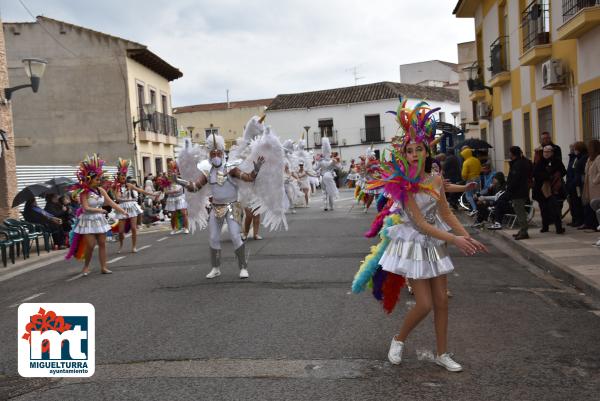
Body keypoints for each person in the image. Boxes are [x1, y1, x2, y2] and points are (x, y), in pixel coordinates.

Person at [352, 99, 487, 372]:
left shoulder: (435, 180)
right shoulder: (404, 186)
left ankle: (442, 353)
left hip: (436, 243)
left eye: (418, 149)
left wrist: (466, 236)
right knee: (424, 304)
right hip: (413, 244)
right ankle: (398, 339)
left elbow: (446, 214)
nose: (414, 153)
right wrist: (456, 240)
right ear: (404, 155)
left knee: (441, 303)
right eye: (409, 150)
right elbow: (421, 225)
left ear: (427, 152)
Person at [179, 130, 284, 280]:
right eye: (212, 154)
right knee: (213, 238)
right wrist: (179, 181)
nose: (215, 156)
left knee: (235, 236)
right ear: (209, 155)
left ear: (223, 153)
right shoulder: (207, 172)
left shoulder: (231, 169)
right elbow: (195, 187)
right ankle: (215, 268)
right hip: (216, 208)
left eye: (218, 153)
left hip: (233, 207)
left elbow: (248, 178)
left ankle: (243, 267)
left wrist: (256, 169)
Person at [66, 154, 127, 275]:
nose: (99, 181)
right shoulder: (84, 193)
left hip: (99, 220)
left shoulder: (101, 190)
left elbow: (111, 202)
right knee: (90, 245)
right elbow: (85, 207)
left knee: (102, 244)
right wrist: (100, 210)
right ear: (89, 179)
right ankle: (86, 266)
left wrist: (122, 210)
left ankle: (104, 267)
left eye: (100, 179)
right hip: (87, 220)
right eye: (97, 179)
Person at [113, 159, 159, 252]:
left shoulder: (129, 185)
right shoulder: (116, 187)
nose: (123, 177)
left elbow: (140, 190)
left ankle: (134, 247)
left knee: (134, 228)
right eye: (122, 175)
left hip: (132, 207)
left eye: (124, 175)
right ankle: (121, 246)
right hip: (122, 207)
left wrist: (153, 194)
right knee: (121, 231)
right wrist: (128, 199)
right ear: (118, 177)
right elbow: (117, 198)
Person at [533, 146, 567, 234]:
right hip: (541, 189)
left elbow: (563, 171)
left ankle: (558, 228)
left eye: (548, 151)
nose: (546, 153)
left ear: (552, 152)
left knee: (555, 209)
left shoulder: (557, 161)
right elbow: (536, 174)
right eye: (544, 151)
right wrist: (548, 176)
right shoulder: (540, 162)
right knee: (544, 209)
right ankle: (545, 227)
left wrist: (556, 176)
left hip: (554, 189)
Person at [506, 146, 532, 240]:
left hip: (518, 192)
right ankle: (522, 230)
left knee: (520, 212)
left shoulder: (518, 164)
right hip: (521, 191)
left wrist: (509, 188)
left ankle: (524, 232)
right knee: (519, 211)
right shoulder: (521, 162)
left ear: (513, 154)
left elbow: (515, 179)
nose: (509, 154)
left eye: (510, 152)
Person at [158, 161, 190, 235]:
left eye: (173, 169)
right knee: (173, 215)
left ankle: (186, 228)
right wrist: (171, 192)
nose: (171, 172)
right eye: (170, 170)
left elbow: (187, 185)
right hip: (171, 198)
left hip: (180, 197)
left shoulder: (180, 178)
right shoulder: (165, 180)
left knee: (184, 213)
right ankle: (173, 229)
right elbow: (165, 191)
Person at [566, 142, 587, 227]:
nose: (572, 150)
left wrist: (573, 183)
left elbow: (577, 172)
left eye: (574, 148)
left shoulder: (582, 158)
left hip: (577, 184)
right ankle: (575, 219)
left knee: (578, 203)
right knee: (573, 203)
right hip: (572, 183)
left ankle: (579, 220)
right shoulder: (574, 158)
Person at [315, 137, 340, 211]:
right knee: (330, 191)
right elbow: (339, 168)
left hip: (323, 177)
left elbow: (315, 169)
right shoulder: (332, 161)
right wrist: (337, 162)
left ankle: (325, 206)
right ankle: (331, 206)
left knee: (324, 192)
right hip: (329, 177)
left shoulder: (321, 161)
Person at [581, 139, 600, 230]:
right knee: (590, 205)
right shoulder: (590, 158)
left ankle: (597, 224)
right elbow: (586, 171)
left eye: (590, 147)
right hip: (589, 186)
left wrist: (595, 180)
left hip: (596, 187)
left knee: (596, 206)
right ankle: (592, 224)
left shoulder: (599, 158)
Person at [460, 146, 481, 216]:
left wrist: (464, 178)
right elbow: (480, 169)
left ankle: (474, 209)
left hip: (470, 179)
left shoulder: (466, 162)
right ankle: (479, 208)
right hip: (478, 178)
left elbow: (464, 174)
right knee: (476, 195)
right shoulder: (476, 160)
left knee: (468, 195)